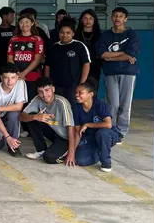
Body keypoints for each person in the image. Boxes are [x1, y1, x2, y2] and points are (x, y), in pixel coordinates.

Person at [96, 7, 141, 144]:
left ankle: (121, 131)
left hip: (128, 72)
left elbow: (131, 54)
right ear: (111, 17)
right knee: (113, 104)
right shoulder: (105, 35)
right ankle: (111, 127)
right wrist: (121, 55)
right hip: (111, 73)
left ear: (125, 19)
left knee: (125, 104)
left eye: (121, 16)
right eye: (115, 15)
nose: (117, 18)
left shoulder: (132, 34)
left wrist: (111, 58)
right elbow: (102, 54)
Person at [20, 77, 76, 164]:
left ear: (53, 89)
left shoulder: (62, 102)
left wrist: (72, 153)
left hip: (65, 137)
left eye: (47, 90)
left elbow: (71, 127)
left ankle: (65, 152)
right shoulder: (37, 99)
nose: (44, 95)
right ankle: (41, 150)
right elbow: (22, 117)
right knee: (31, 117)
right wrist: (35, 117)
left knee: (49, 158)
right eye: (40, 92)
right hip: (53, 132)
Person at [69, 78, 120, 172]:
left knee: (102, 134)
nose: (77, 95)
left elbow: (108, 124)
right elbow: (77, 132)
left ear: (90, 94)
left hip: (107, 134)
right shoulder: (76, 108)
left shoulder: (100, 104)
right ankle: (99, 150)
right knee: (80, 160)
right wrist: (72, 152)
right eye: (76, 92)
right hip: (89, 138)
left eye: (80, 93)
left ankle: (106, 162)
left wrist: (88, 124)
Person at [45, 17, 91, 105]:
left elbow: (86, 64)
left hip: (73, 85)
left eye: (68, 33)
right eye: (62, 32)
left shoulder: (79, 46)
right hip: (56, 85)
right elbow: (47, 65)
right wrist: (48, 83)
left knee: (72, 107)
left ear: (73, 33)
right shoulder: (53, 47)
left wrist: (82, 83)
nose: (64, 35)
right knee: (57, 106)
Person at [7, 13, 45, 101]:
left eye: (27, 22)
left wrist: (23, 73)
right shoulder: (13, 39)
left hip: (33, 76)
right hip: (15, 76)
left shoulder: (37, 39)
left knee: (31, 101)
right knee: (17, 102)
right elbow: (9, 59)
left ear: (32, 23)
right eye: (21, 22)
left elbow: (37, 60)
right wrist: (18, 73)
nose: (24, 25)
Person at [0, 64, 27, 157]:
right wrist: (7, 137)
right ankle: (8, 138)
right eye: (6, 78)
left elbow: (19, 106)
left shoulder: (20, 83)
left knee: (14, 113)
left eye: (13, 77)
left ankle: (14, 145)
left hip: (9, 116)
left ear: (17, 77)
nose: (10, 81)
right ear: (1, 78)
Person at [76, 9, 103, 90]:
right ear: (81, 20)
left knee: (92, 91)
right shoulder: (75, 35)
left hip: (94, 67)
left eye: (91, 18)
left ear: (95, 21)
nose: (88, 21)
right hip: (78, 67)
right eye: (85, 18)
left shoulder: (100, 36)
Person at [0, 7, 17, 83]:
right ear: (4, 16)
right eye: (11, 16)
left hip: (12, 62)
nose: (13, 18)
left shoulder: (15, 30)